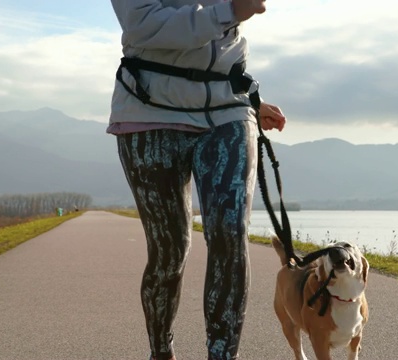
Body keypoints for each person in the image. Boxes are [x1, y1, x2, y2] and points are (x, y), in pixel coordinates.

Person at [107, 1, 286, 359]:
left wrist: (252, 99)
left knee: (230, 235)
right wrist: (230, 10)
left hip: (227, 108)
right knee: (170, 250)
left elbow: (224, 37)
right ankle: (161, 351)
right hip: (150, 108)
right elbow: (141, 24)